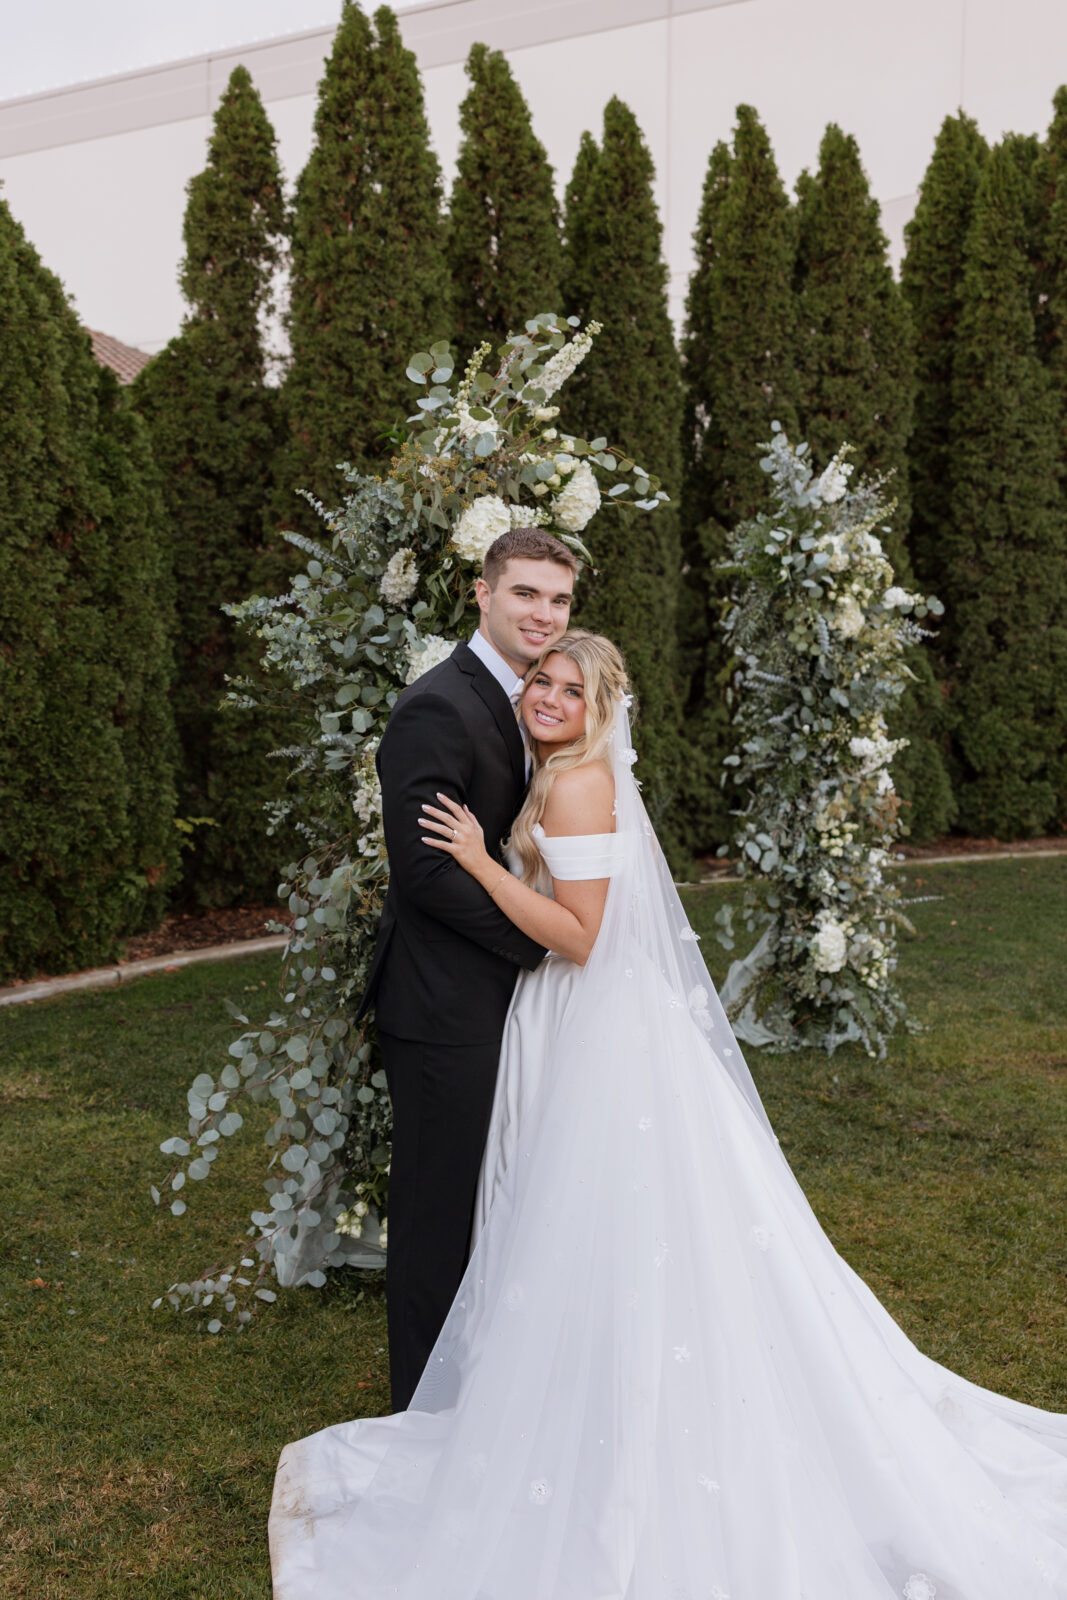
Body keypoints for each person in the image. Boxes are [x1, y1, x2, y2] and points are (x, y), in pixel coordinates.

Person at [273, 631, 1067, 1599]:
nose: (549, 697)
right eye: (541, 680)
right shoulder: (558, 767)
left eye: (571, 688)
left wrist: (482, 864)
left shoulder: (574, 783)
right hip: (590, 1019)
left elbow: (578, 933)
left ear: (604, 705)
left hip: (590, 1019)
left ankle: (615, 1429)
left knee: (599, 1220)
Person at [357, 525, 578, 1412]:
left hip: (507, 999)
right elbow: (426, 872)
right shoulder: (438, 706)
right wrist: (539, 942)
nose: (542, 613)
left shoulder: (534, 701)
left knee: (499, 1200)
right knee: (435, 1216)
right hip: (445, 1005)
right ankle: (424, 1412)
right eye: (525, 593)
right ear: (481, 594)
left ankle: (485, 1383)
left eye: (558, 599)